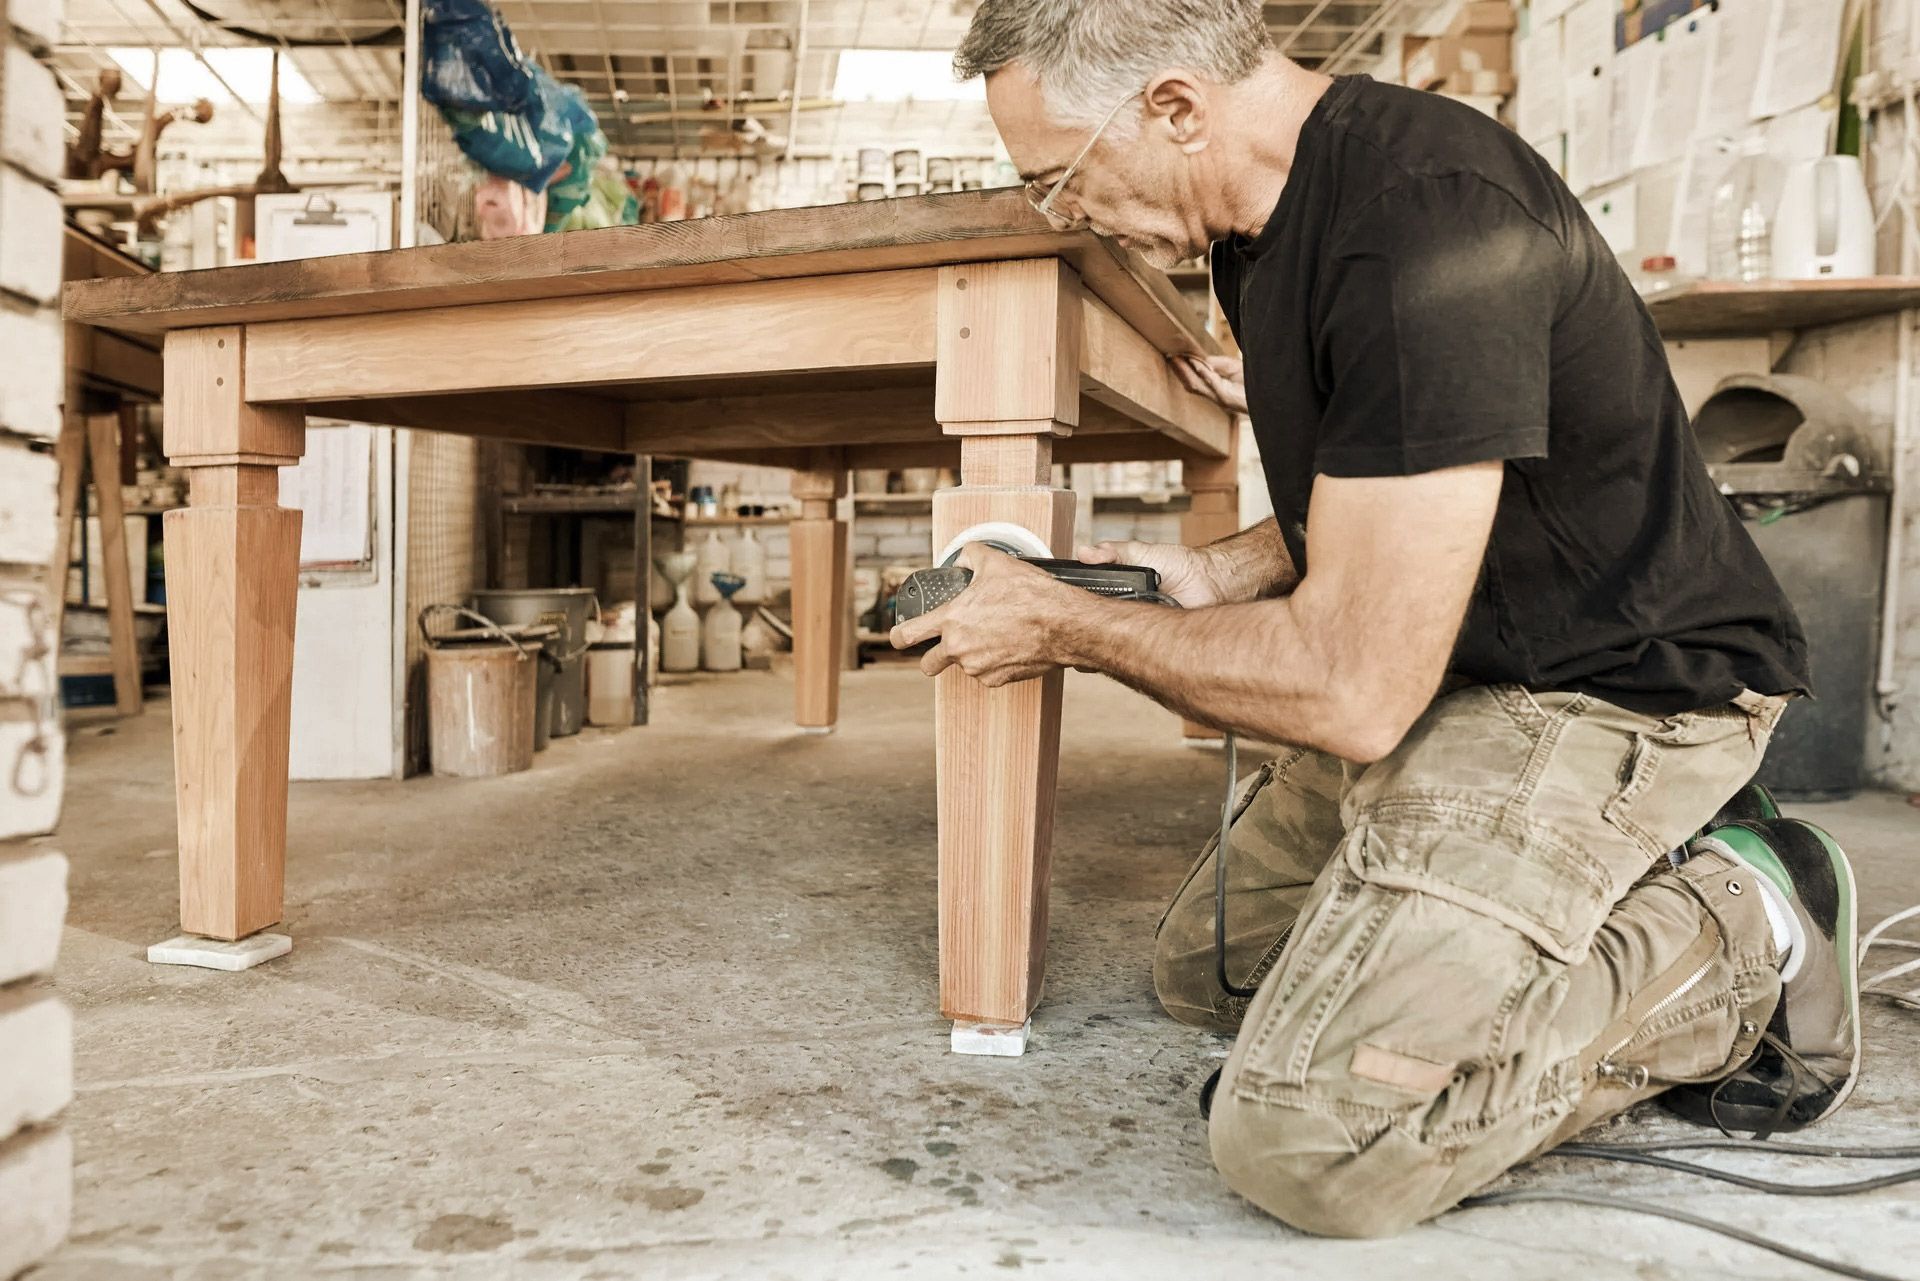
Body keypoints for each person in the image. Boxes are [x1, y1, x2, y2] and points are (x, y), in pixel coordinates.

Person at [890, 0, 1862, 1239]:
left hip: (1617, 685)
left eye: (1059, 180)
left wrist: (1066, 627)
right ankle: (1567, 900)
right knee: (1213, 976)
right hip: (1462, 650)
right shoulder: (1257, 223)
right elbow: (1394, 485)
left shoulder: (1428, 229)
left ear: (1176, 107)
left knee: (1317, 1140)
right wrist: (1218, 577)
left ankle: (1745, 926)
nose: (1062, 215)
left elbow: (1352, 692)